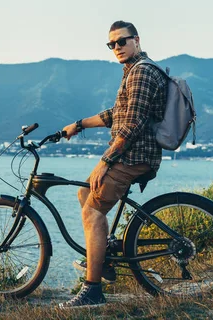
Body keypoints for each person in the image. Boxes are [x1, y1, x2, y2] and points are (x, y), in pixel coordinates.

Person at [59, 21, 168, 308]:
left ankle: (92, 290)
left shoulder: (142, 72)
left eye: (122, 41)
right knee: (85, 193)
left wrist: (105, 162)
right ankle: (104, 256)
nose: (117, 47)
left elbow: (131, 124)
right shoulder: (134, 71)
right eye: (112, 44)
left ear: (137, 40)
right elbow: (116, 114)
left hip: (134, 157)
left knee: (93, 212)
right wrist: (79, 125)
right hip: (131, 154)